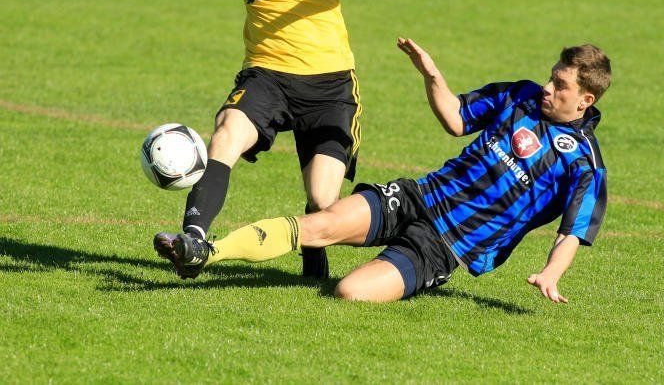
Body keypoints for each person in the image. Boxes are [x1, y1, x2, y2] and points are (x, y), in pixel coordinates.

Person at [162, 39, 611, 303]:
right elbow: (456, 118)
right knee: (321, 224)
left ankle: (390, 270)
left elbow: (572, 232)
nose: (548, 87)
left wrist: (551, 273)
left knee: (349, 293)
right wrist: (431, 74)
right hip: (419, 196)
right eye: (551, 77)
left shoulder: (583, 164)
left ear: (585, 100)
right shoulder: (521, 95)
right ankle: (205, 252)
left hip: (445, 246)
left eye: (560, 85)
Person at [153, 0, 399, 280]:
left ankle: (314, 254)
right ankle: (193, 240)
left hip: (329, 85)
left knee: (322, 199)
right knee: (226, 132)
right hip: (266, 75)